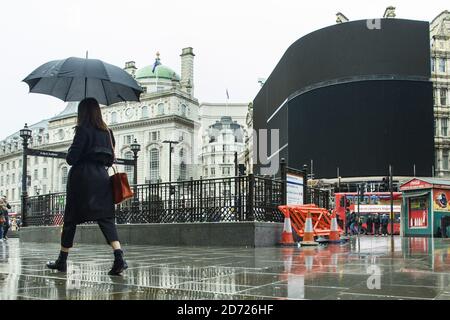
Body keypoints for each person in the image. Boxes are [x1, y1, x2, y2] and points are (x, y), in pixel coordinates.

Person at [46, 98, 128, 276]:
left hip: (82, 178)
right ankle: (119, 256)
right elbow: (111, 158)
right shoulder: (108, 132)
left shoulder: (82, 129)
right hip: (101, 177)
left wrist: (71, 149)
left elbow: (71, 158)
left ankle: (62, 261)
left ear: (82, 112)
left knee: (70, 220)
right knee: (106, 218)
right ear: (98, 111)